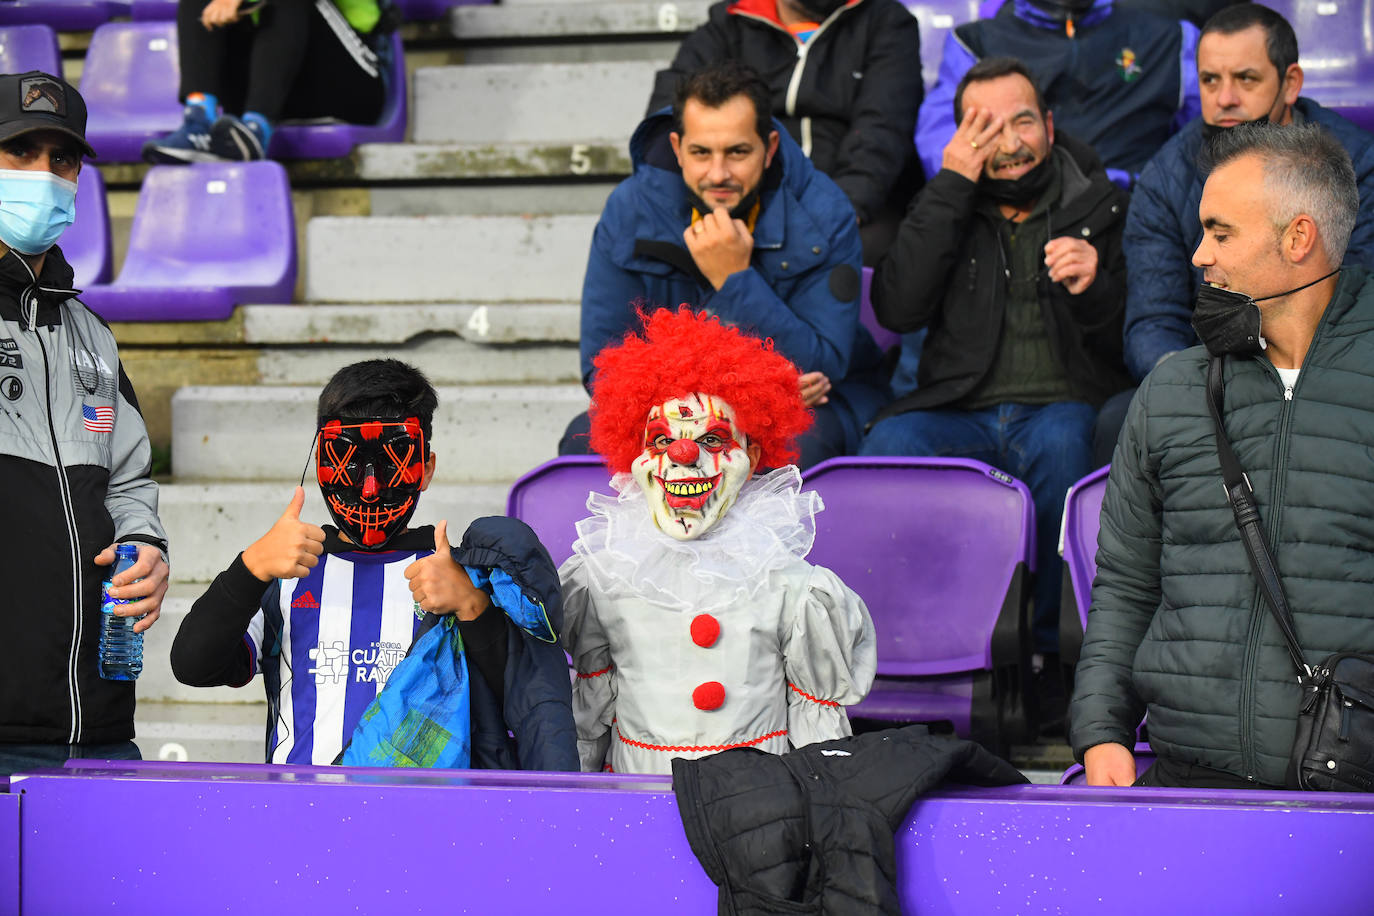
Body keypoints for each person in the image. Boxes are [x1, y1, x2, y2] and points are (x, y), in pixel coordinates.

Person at [1070, 122, 1374, 789]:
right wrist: (1102, 733)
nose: (1199, 254)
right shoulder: (1173, 389)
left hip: (1351, 796)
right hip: (1186, 784)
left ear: (1298, 238)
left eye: (1221, 232)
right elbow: (1126, 586)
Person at [171, 360, 579, 770]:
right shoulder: (284, 576)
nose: (369, 488)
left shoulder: (458, 577)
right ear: (322, 464)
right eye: (348, 460)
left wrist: (473, 609)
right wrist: (250, 568)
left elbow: (520, 709)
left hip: (423, 808)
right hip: (300, 805)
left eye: (392, 461)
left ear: (426, 469)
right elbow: (193, 666)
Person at [863, 57, 1131, 666]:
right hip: (958, 408)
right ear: (961, 138)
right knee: (892, 443)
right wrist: (952, 185)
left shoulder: (1100, 204)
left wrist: (1097, 287)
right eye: (986, 128)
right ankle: (917, 650)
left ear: (1050, 126)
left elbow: (1130, 341)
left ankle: (1049, 653)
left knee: (1066, 443)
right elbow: (898, 307)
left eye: (1023, 122)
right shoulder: (943, 201)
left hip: (1060, 405)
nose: (1009, 144)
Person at [561, 308, 877, 775]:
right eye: (661, 440)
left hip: (756, 797)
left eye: (712, 440)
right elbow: (590, 714)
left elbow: (816, 727)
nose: (684, 454)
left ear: (752, 454)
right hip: (638, 794)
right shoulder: (606, 576)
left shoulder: (790, 584)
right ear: (635, 458)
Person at [566, 59, 889, 470]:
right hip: (669, 406)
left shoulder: (824, 210)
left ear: (770, 148)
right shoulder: (630, 209)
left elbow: (821, 364)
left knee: (788, 453)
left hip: (793, 412)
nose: (718, 174)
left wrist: (734, 279)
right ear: (677, 149)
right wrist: (711, 395)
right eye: (701, 152)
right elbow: (603, 365)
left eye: (738, 152)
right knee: (581, 444)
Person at [1099, 4, 1374, 466]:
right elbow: (1152, 323)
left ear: (1290, 83)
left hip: (1326, 367)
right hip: (1211, 371)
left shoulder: (1356, 164)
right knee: (1118, 419)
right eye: (1210, 80)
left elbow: (1358, 294)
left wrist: (1285, 379)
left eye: (1246, 79)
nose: (1225, 98)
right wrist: (1195, 384)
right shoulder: (1166, 177)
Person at [0, 72, 170, 775]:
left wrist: (145, 544)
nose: (44, 174)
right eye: (20, 152)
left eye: (62, 159)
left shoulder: (93, 334)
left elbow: (127, 479)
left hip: (97, 727)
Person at [645, 0, 924, 265]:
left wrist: (832, 215)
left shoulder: (885, 22)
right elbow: (667, 120)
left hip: (844, 206)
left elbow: (882, 132)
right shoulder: (731, 23)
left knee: (872, 249)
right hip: (740, 199)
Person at [917, 0, 1200, 189]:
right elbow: (945, 150)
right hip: (1021, 208)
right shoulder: (975, 43)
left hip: (1135, 207)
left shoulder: (1171, 39)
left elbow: (1202, 141)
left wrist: (1145, 186)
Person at [142, 0, 394, 164]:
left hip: (349, 84)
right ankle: (199, 120)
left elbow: (365, 19)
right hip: (275, 87)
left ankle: (257, 127)